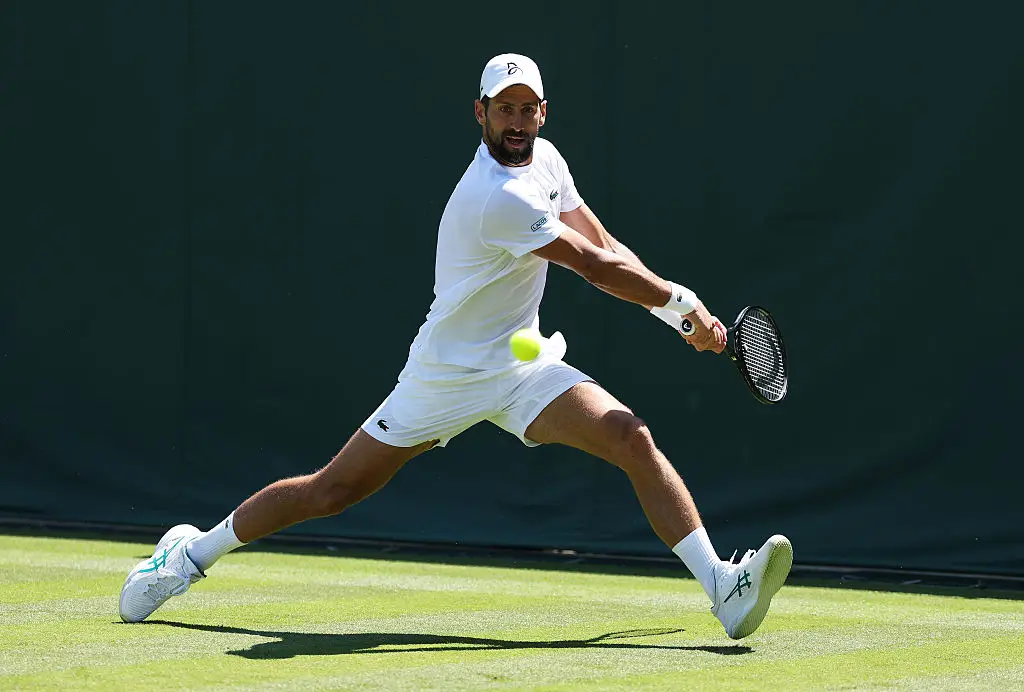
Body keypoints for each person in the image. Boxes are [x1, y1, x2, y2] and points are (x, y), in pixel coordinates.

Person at [119, 53, 793, 640]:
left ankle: (723, 589)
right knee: (332, 491)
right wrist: (683, 311)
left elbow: (609, 247)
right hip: (445, 376)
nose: (517, 122)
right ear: (480, 112)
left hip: (523, 364)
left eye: (528, 109)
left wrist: (680, 317)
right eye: (504, 109)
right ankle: (187, 554)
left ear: (543, 113)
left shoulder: (547, 161)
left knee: (629, 437)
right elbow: (589, 265)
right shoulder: (493, 196)